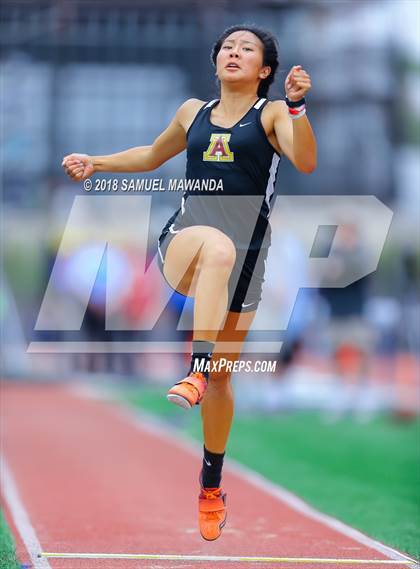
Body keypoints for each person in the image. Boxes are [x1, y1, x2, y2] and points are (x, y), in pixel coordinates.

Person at [62, 24, 317, 541]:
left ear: (265, 69)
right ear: (215, 60)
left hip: (248, 259)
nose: (234, 52)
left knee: (225, 379)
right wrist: (98, 162)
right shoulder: (192, 111)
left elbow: (306, 160)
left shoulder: (269, 114)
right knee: (214, 248)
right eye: (227, 46)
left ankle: (210, 484)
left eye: (246, 49)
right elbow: (153, 155)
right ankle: (195, 369)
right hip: (185, 240)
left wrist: (295, 108)